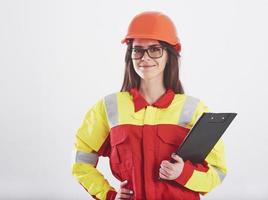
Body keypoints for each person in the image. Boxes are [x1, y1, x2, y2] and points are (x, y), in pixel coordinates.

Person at [71, 11, 227, 200]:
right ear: (130, 55)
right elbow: (82, 162)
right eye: (138, 50)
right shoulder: (109, 107)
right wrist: (109, 195)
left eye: (154, 49)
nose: (145, 58)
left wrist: (183, 173)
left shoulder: (194, 109)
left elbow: (217, 171)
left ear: (169, 54)